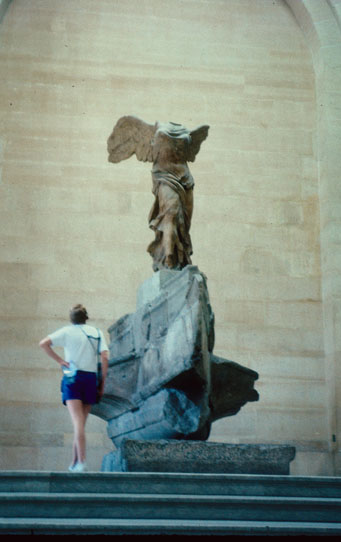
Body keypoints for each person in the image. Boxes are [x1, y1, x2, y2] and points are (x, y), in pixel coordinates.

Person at [107, 116, 209, 271]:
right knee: (171, 214)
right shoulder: (156, 131)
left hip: (185, 180)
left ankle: (178, 259)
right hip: (165, 178)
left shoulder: (185, 134)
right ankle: (169, 256)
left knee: (183, 224)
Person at [39, 304, 108, 472]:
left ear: (71, 319)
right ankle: (74, 461)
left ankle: (81, 461)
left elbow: (43, 343)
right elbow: (105, 358)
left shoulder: (66, 331)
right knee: (81, 424)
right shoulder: (97, 333)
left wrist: (60, 361)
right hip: (90, 379)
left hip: (72, 378)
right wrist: (102, 383)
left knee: (77, 424)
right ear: (86, 317)